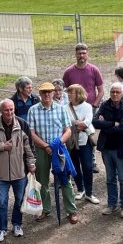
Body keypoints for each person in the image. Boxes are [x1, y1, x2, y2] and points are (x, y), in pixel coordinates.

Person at [27, 82, 79, 224]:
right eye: (44, 92)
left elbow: (68, 130)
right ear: (40, 94)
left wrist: (57, 143)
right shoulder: (33, 110)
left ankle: (71, 210)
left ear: (54, 92)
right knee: (42, 181)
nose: (47, 95)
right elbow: (31, 133)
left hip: (59, 149)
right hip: (41, 149)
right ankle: (45, 209)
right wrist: (45, 146)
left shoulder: (61, 109)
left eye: (50, 92)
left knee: (65, 180)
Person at [0, 98, 36, 241]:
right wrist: (2, 146)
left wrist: (32, 163)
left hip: (19, 172)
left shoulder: (22, 124)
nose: (9, 112)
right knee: (2, 202)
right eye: (6, 110)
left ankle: (17, 224)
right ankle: (1, 229)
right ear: (0, 111)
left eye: (11, 110)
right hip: (2, 173)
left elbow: (29, 148)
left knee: (19, 200)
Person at [94, 82, 123, 217]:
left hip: (121, 148)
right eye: (112, 92)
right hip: (106, 148)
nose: (115, 94)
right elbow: (94, 122)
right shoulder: (105, 104)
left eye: (117, 92)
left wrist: (105, 125)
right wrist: (112, 123)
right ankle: (112, 204)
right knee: (110, 178)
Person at [66, 84, 98, 205]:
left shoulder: (87, 106)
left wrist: (75, 124)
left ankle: (89, 193)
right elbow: (66, 124)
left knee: (88, 167)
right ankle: (80, 189)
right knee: (75, 166)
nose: (68, 95)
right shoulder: (65, 108)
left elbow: (87, 123)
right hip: (71, 142)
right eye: (68, 93)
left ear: (78, 94)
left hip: (85, 142)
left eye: (71, 93)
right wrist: (77, 124)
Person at [62, 42, 104, 107]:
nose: (81, 55)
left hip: (91, 106)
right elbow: (64, 91)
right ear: (75, 54)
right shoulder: (68, 72)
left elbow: (101, 91)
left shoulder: (94, 70)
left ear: (87, 54)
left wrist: (95, 105)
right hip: (74, 107)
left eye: (84, 53)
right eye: (79, 53)